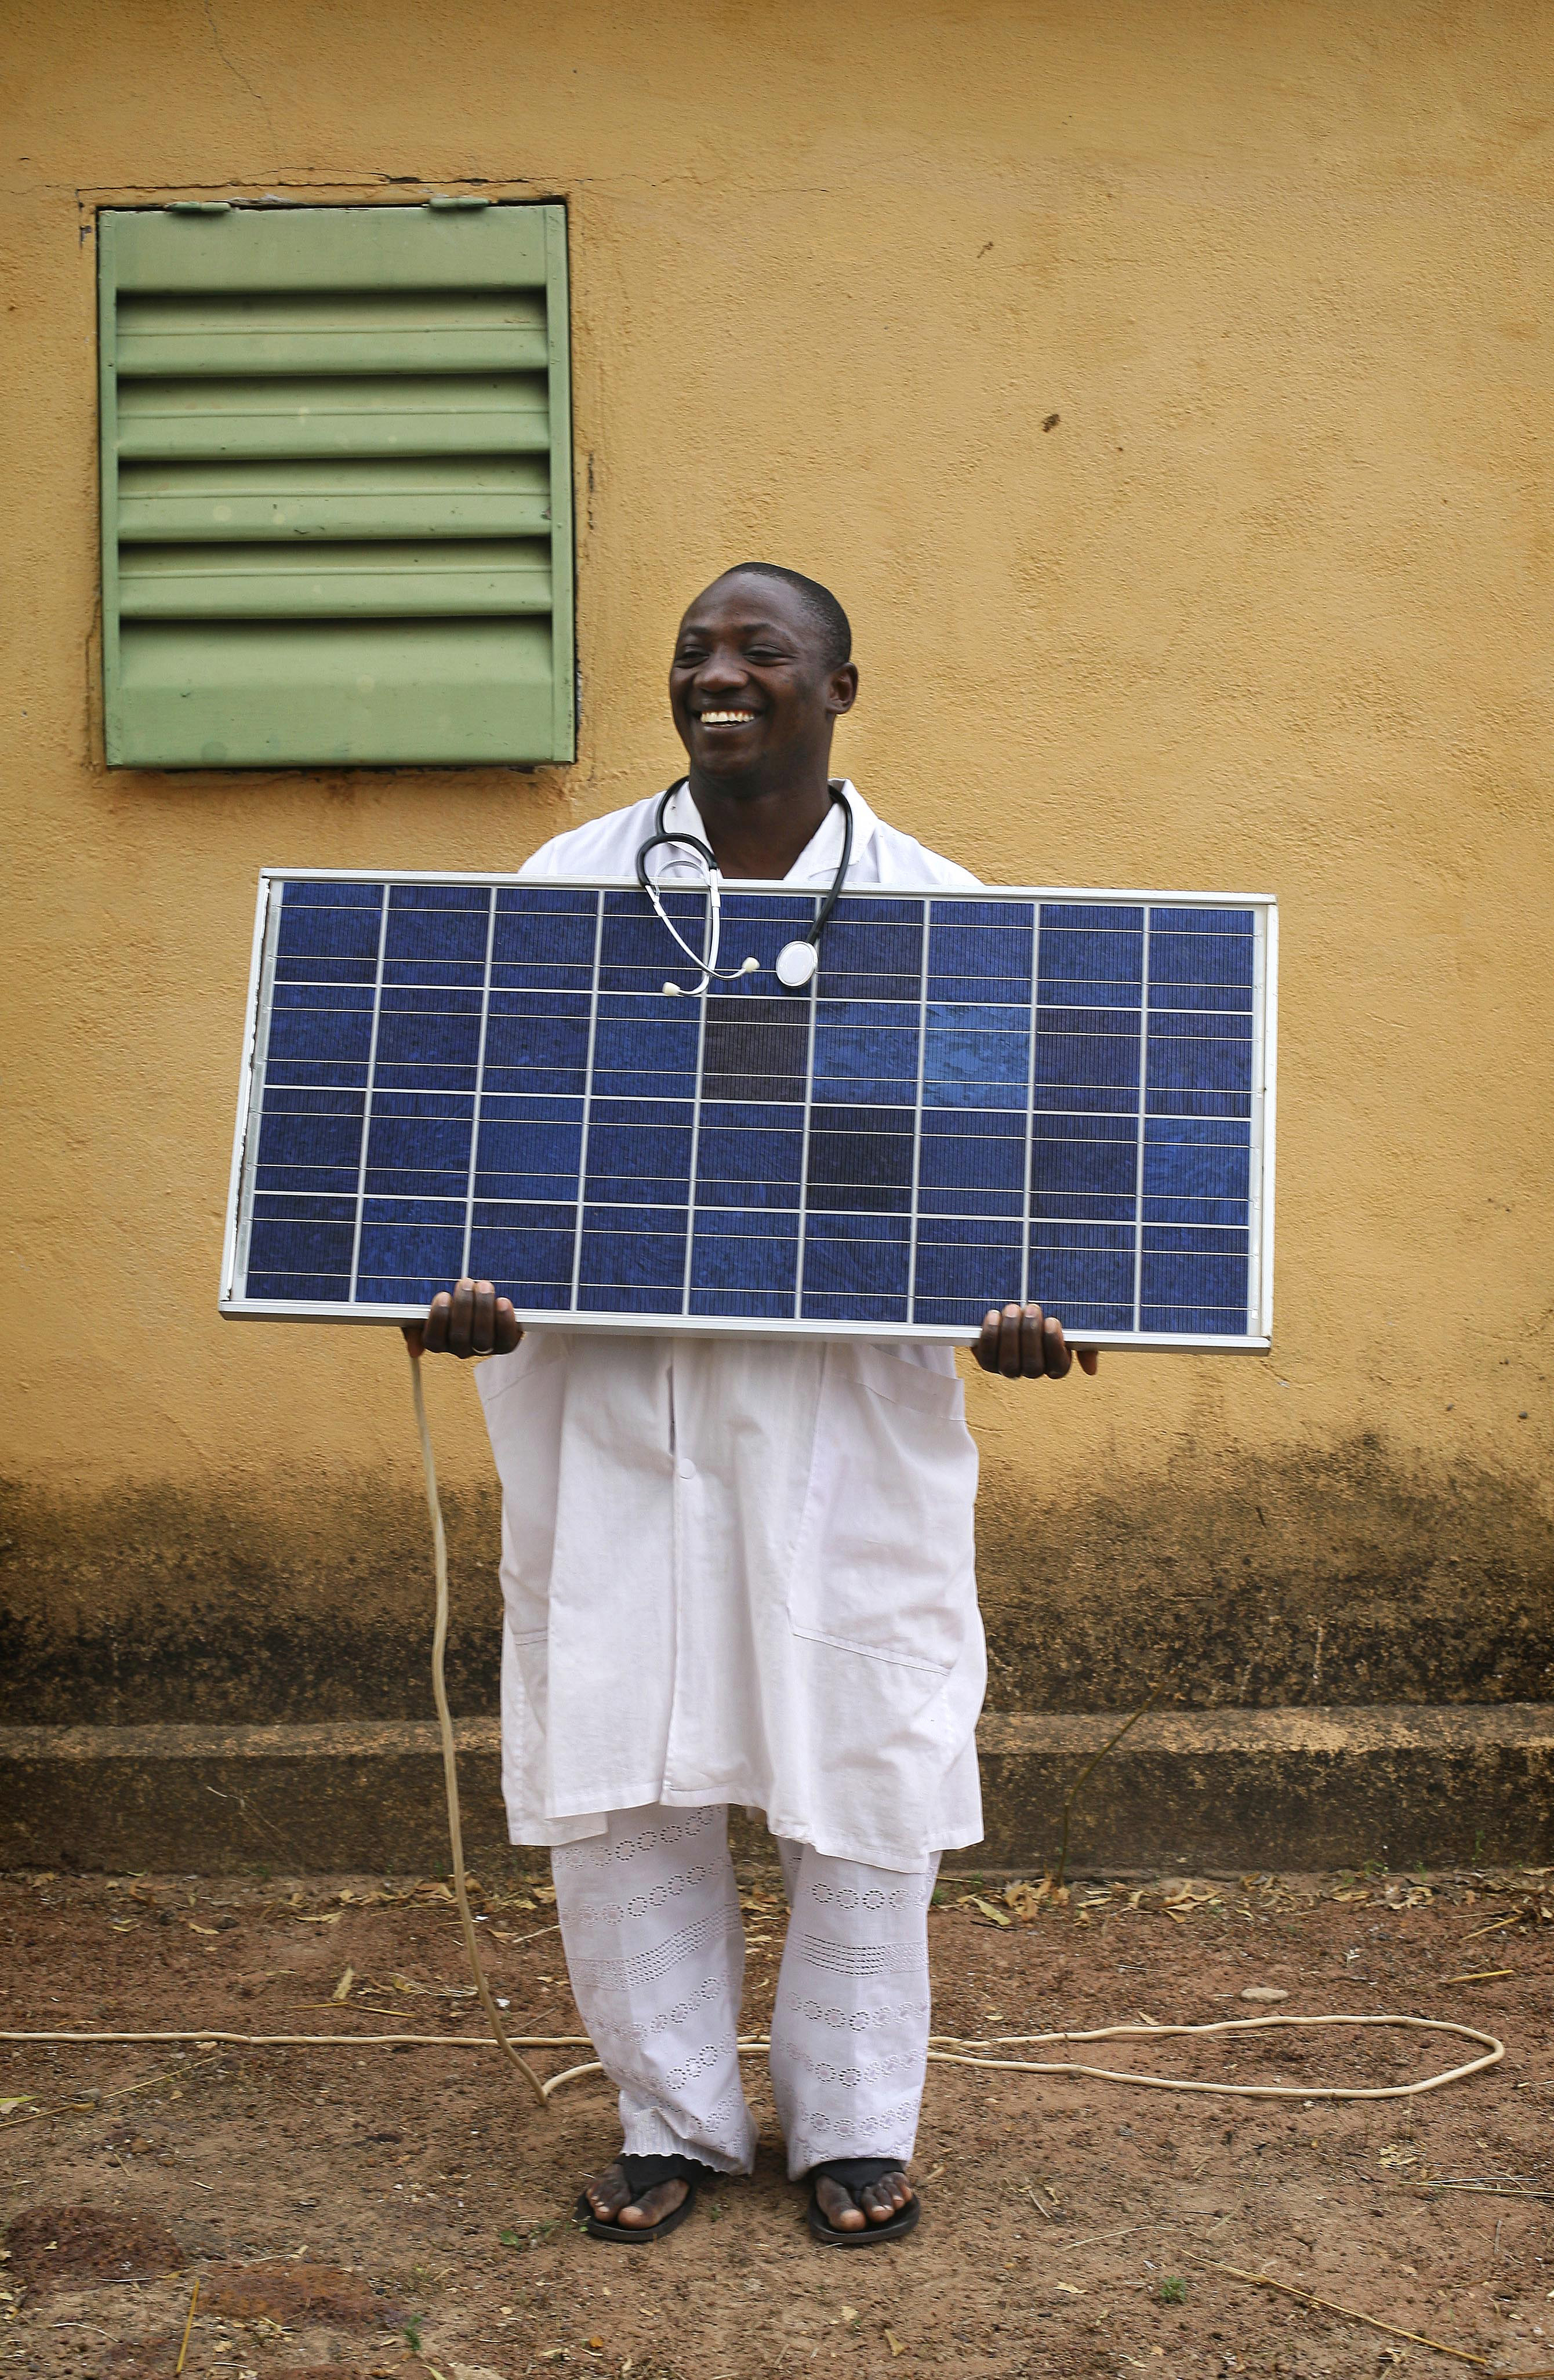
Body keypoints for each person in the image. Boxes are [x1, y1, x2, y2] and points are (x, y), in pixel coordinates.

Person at [408, 564, 1099, 2247]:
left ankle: (857, 2121)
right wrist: (465, 1287)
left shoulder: (942, 911)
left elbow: (1014, 1204)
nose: (721, 675)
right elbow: (470, 1158)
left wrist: (1025, 1317)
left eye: (761, 652)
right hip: (612, 1413)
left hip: (842, 1429)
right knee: (622, 1748)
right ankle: (669, 2117)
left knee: (861, 1745)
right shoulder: (563, 894)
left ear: (842, 688)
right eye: (696, 653)